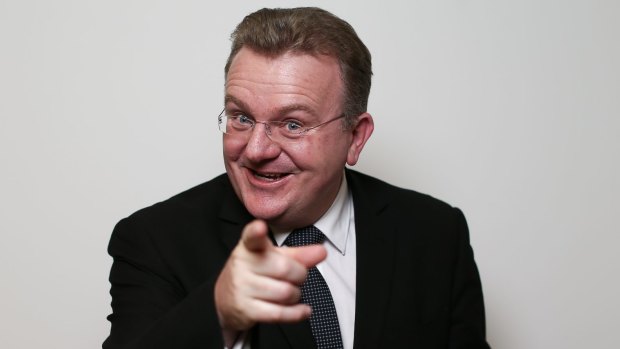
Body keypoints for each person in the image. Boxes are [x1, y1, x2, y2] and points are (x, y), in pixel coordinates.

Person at [103, 7, 490, 349]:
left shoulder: (436, 233)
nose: (255, 150)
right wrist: (217, 311)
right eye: (241, 117)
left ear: (355, 137)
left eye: (292, 124)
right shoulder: (154, 242)